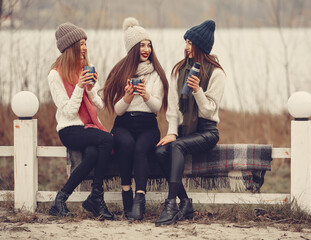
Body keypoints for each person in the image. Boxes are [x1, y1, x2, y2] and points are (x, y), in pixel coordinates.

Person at [154, 20, 226, 226]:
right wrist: (171, 132)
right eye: (185, 41)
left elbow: (210, 110)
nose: (186, 46)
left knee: (176, 146)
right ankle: (184, 202)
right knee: (160, 151)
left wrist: (197, 91)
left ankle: (170, 204)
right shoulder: (178, 71)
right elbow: (173, 109)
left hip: (207, 131)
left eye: (190, 42)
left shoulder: (217, 73)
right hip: (183, 131)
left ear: (200, 46)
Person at [102, 17, 168, 221]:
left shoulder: (156, 73)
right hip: (124, 124)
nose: (146, 49)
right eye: (141, 45)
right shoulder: (121, 71)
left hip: (148, 125)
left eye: (148, 44)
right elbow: (117, 110)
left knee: (141, 148)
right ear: (132, 49)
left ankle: (140, 198)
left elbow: (157, 107)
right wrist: (128, 96)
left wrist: (146, 95)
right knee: (127, 144)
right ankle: (126, 192)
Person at [47, 22, 114, 220]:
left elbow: (100, 106)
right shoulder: (55, 75)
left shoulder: (84, 69)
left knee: (93, 153)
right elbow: (68, 112)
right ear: (70, 47)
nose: (85, 47)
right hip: (70, 130)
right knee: (108, 139)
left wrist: (91, 87)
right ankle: (97, 197)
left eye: (85, 43)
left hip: (87, 127)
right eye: (81, 43)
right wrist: (79, 86)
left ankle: (60, 200)